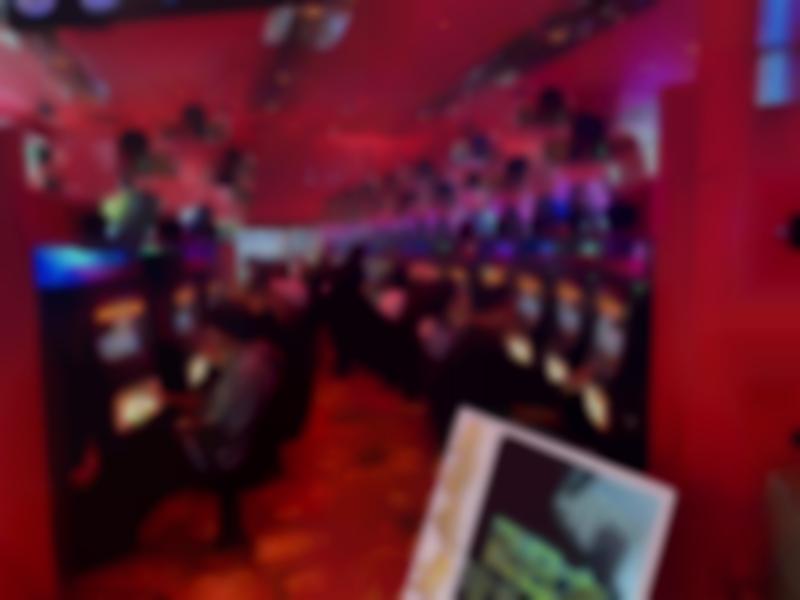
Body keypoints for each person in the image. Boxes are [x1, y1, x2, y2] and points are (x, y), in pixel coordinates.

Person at [176, 304, 283, 547]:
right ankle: (228, 528)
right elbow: (214, 403)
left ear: (221, 334)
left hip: (227, 450)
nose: (205, 340)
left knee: (155, 443)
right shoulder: (255, 355)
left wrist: (184, 426)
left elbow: (215, 424)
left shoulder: (242, 371)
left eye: (209, 334)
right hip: (245, 442)